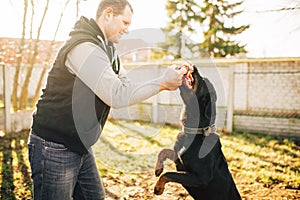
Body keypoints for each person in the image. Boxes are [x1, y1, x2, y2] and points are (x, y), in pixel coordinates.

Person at [27, 0, 187, 199]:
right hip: (54, 146)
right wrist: (162, 83)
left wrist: (163, 80)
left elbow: (125, 85)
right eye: (125, 23)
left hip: (79, 145)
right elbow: (117, 95)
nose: (127, 30)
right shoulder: (84, 47)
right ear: (108, 13)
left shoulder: (107, 49)